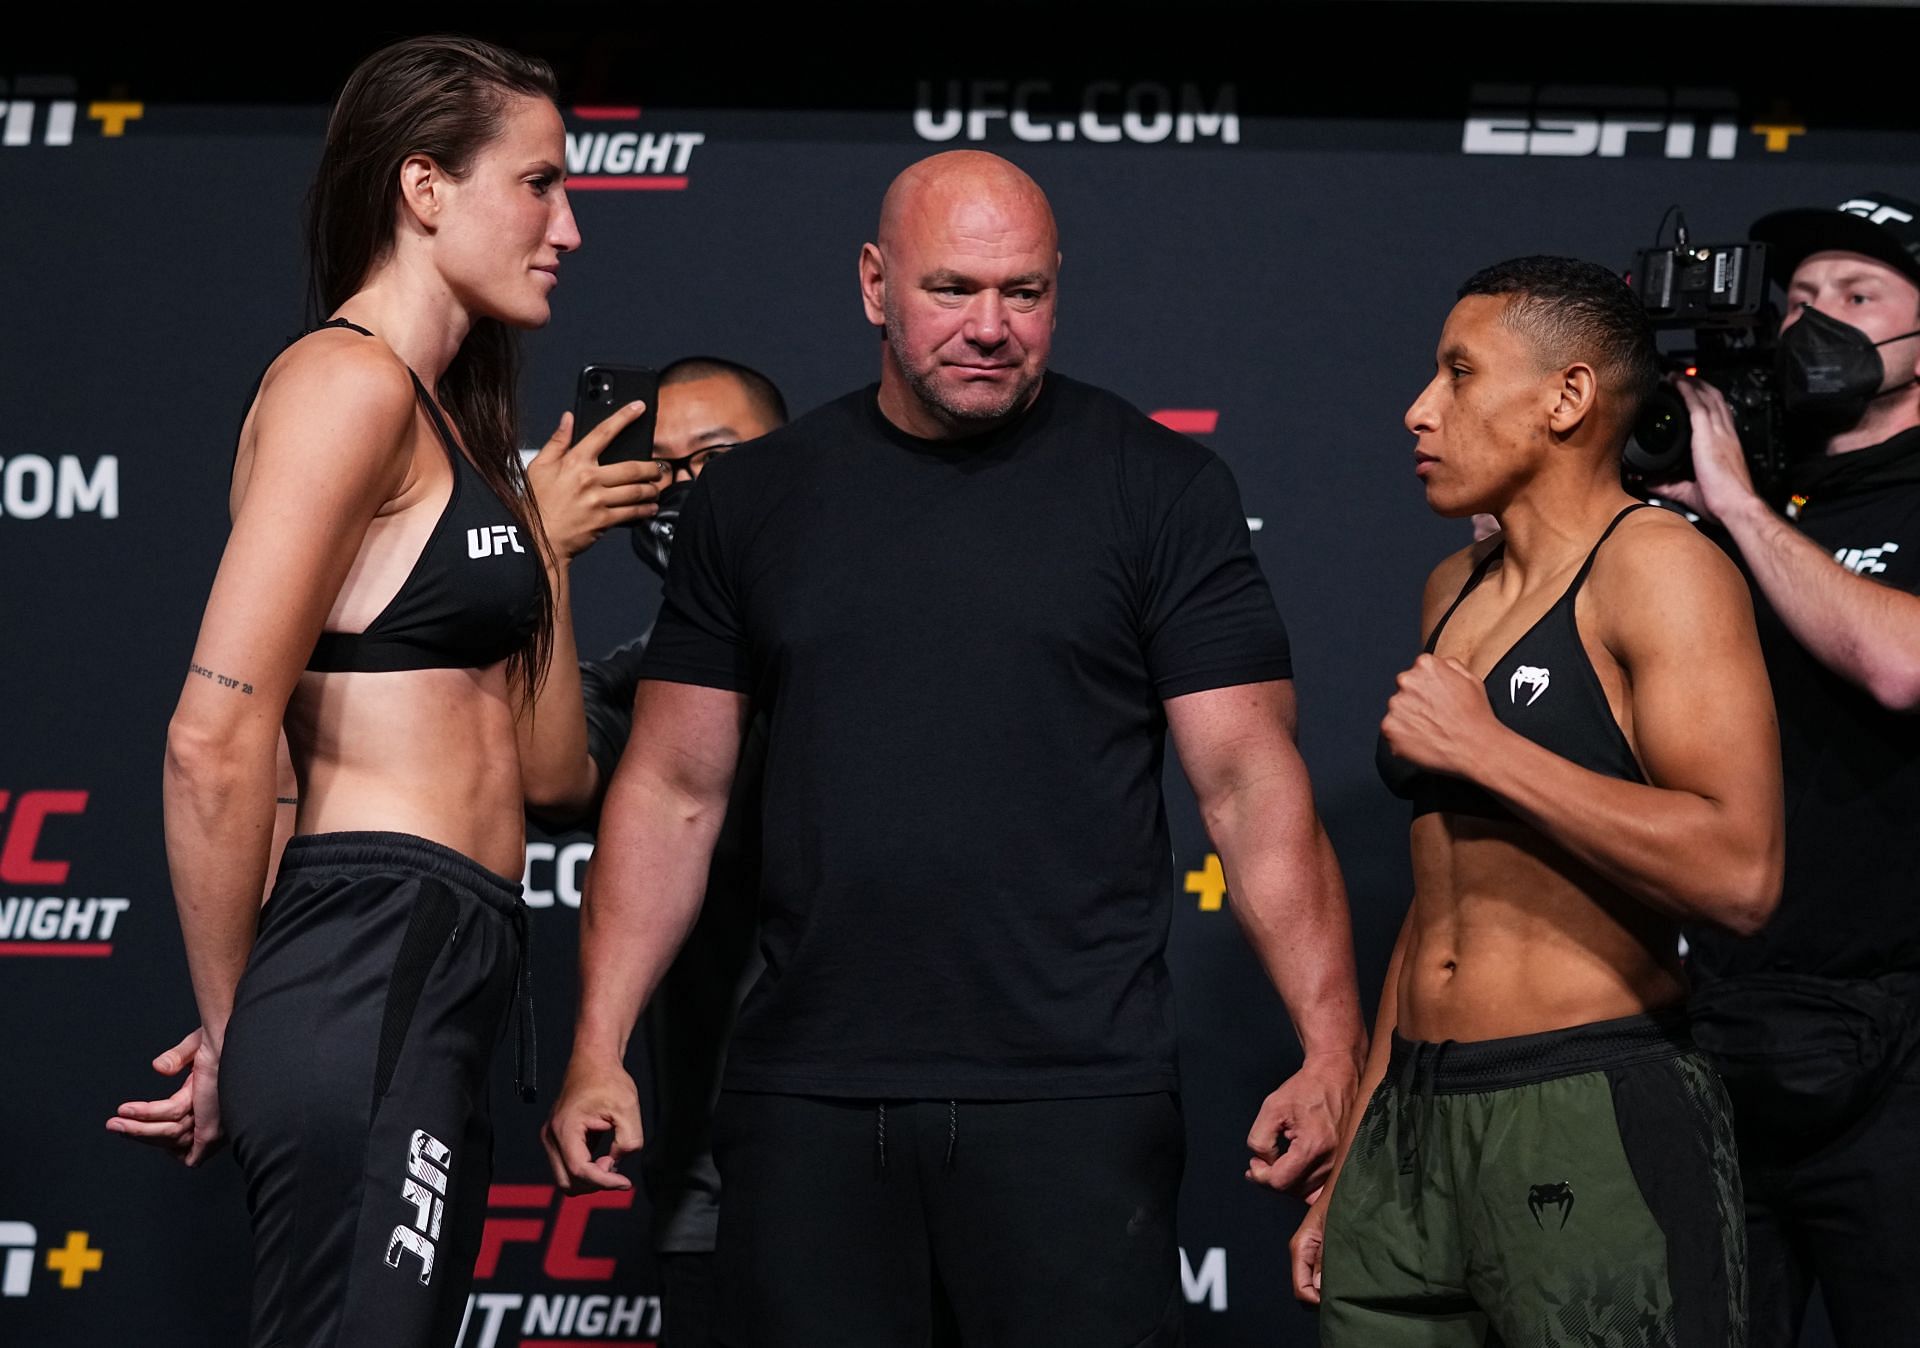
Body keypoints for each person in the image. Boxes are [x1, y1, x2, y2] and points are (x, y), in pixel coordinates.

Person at [542, 149, 1367, 1346]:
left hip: (1076, 1097)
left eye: (1023, 293)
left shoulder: (1161, 488)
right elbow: (672, 789)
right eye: (952, 290)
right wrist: (597, 1047)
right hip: (807, 1099)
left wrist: (1330, 1043)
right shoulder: (756, 500)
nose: (989, 327)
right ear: (875, 284)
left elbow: (1249, 787)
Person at [103, 36, 657, 1348]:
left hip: (443, 955)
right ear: (424, 190)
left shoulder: (443, 417)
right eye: (538, 185)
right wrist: (237, 1025)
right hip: (369, 946)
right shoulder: (341, 384)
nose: (569, 225)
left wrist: (543, 543)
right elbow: (214, 736)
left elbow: (541, 772)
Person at [1296, 256, 1784, 1346]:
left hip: (1588, 1102)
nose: (1421, 409)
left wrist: (1489, 750)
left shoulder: (1659, 568)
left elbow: (1742, 872)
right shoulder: (1451, 588)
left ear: (1565, 398)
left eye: (1459, 373)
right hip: (1415, 1122)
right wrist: (1365, 1146)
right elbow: (1441, 894)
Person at [1655, 193, 1920, 1347]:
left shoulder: (1757, 507)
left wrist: (1741, 511)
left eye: (1860, 299)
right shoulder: (1732, 496)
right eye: (1802, 299)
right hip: (1718, 1025)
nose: (1818, 324)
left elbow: (1900, 664)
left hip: (1896, 1044)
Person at [524, 356, 788, 1348]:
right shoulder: (640, 683)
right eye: (663, 470)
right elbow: (547, 779)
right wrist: (542, 556)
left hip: (924, 1166)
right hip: (719, 1185)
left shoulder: (897, 643)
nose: (688, 493)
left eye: (717, 461)